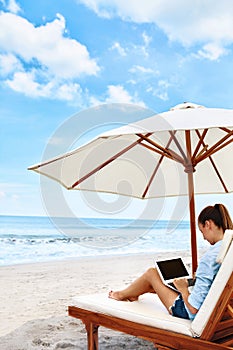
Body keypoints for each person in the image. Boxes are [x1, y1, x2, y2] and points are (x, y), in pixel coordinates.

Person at [109, 204, 233, 320]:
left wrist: (184, 289)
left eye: (202, 231)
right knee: (162, 282)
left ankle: (121, 295)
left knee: (152, 273)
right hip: (224, 314)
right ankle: (132, 294)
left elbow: (193, 308)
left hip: (187, 311)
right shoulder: (228, 249)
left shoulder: (210, 257)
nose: (204, 238)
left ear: (208, 224)